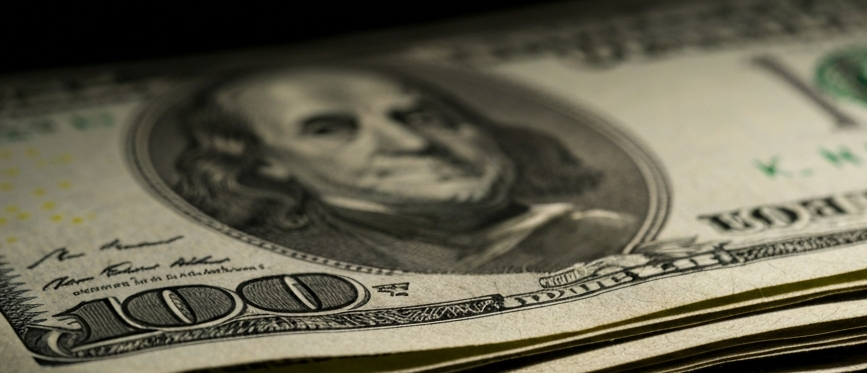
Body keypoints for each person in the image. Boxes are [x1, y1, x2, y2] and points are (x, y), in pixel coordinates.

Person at [173, 66, 637, 274]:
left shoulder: (604, 233)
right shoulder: (296, 256)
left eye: (423, 118)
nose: (412, 143)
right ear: (266, 162)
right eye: (331, 130)